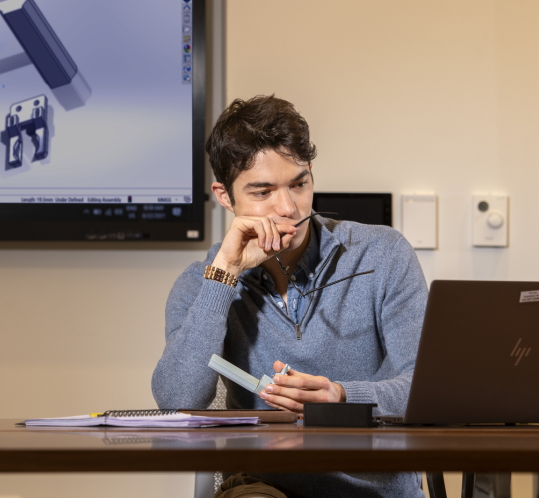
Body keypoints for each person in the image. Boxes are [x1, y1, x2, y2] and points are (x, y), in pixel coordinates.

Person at [152, 95, 428, 498]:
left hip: (376, 487)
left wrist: (342, 396)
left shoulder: (383, 253)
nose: (288, 207)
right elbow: (177, 399)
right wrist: (225, 274)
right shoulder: (203, 282)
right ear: (225, 196)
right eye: (262, 192)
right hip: (265, 486)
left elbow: (423, 389)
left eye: (299, 184)